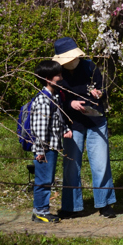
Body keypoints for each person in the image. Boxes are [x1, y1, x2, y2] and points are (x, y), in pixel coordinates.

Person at [53, 36, 117, 218]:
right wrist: (70, 104)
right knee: (71, 164)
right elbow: (56, 100)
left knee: (100, 163)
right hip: (72, 123)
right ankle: (70, 206)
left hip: (95, 120)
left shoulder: (90, 67)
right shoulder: (57, 73)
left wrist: (99, 93)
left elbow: (103, 90)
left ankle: (105, 203)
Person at [30, 59, 72, 224]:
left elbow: (56, 120)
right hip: (45, 149)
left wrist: (64, 131)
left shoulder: (54, 97)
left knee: (47, 179)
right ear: (48, 79)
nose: (61, 78)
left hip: (52, 146)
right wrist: (40, 150)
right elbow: (39, 128)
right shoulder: (43, 100)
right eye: (58, 75)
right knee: (43, 180)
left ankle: (41, 210)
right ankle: (40, 211)